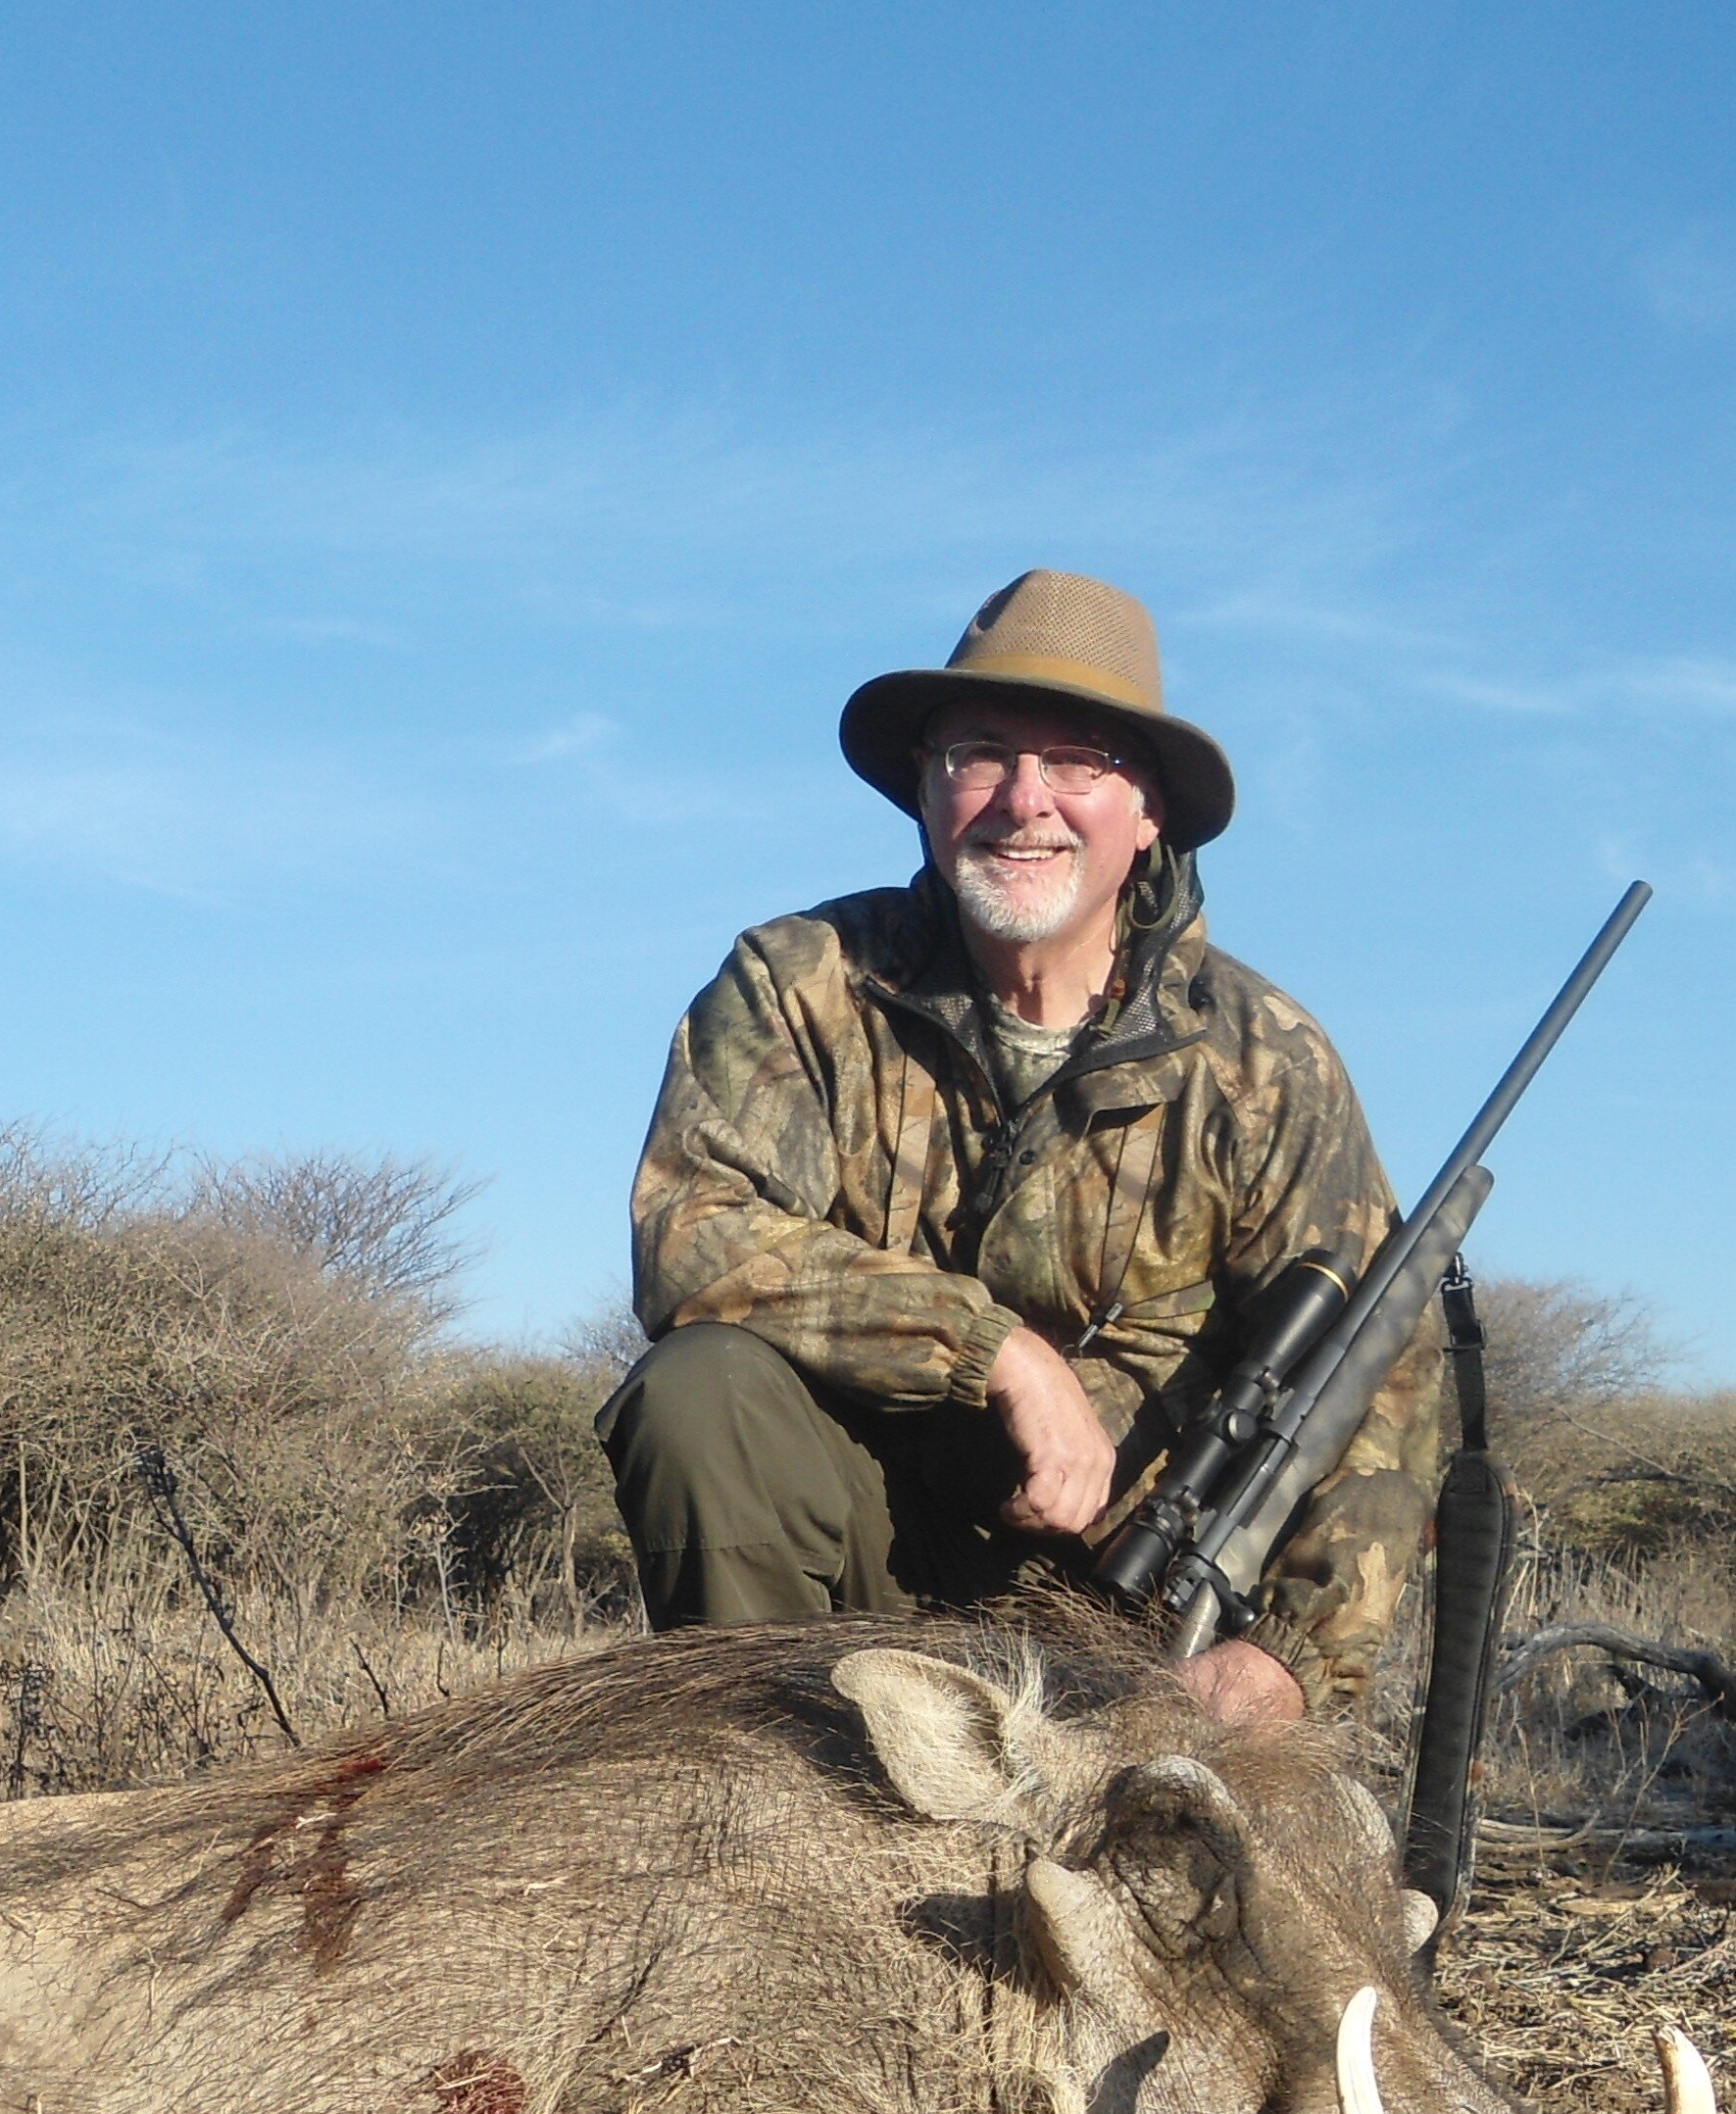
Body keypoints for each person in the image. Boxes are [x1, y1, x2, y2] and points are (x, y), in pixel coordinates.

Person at [601, 567, 1438, 1727]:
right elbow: (691, 1236)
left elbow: (1376, 1381)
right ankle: (772, 1797)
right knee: (697, 1394)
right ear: (925, 790)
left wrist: (1288, 1661)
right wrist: (999, 1353)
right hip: (855, 1566)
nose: (1022, 800)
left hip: (1133, 1613)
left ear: (1148, 815)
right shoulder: (798, 981)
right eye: (980, 752)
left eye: (1080, 761)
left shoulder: (1267, 1059)